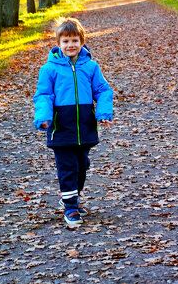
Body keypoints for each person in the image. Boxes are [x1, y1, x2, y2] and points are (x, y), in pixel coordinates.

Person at [33, 17, 113, 229]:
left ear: (82, 41)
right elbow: (43, 95)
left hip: (85, 125)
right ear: (58, 44)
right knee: (67, 167)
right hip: (61, 126)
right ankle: (70, 207)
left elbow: (103, 90)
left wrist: (103, 113)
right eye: (66, 41)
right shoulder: (50, 69)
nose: (70, 45)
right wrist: (43, 117)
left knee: (81, 166)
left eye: (74, 40)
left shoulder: (91, 66)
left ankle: (72, 198)